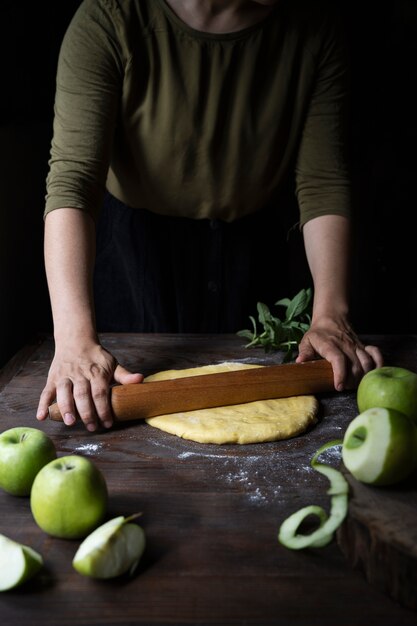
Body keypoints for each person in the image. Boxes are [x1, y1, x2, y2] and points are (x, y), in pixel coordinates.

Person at [36, 0, 384, 433]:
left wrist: (331, 313)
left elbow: (322, 181)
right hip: (134, 252)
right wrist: (73, 339)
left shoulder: (315, 27)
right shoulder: (109, 17)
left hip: (257, 249)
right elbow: (73, 181)